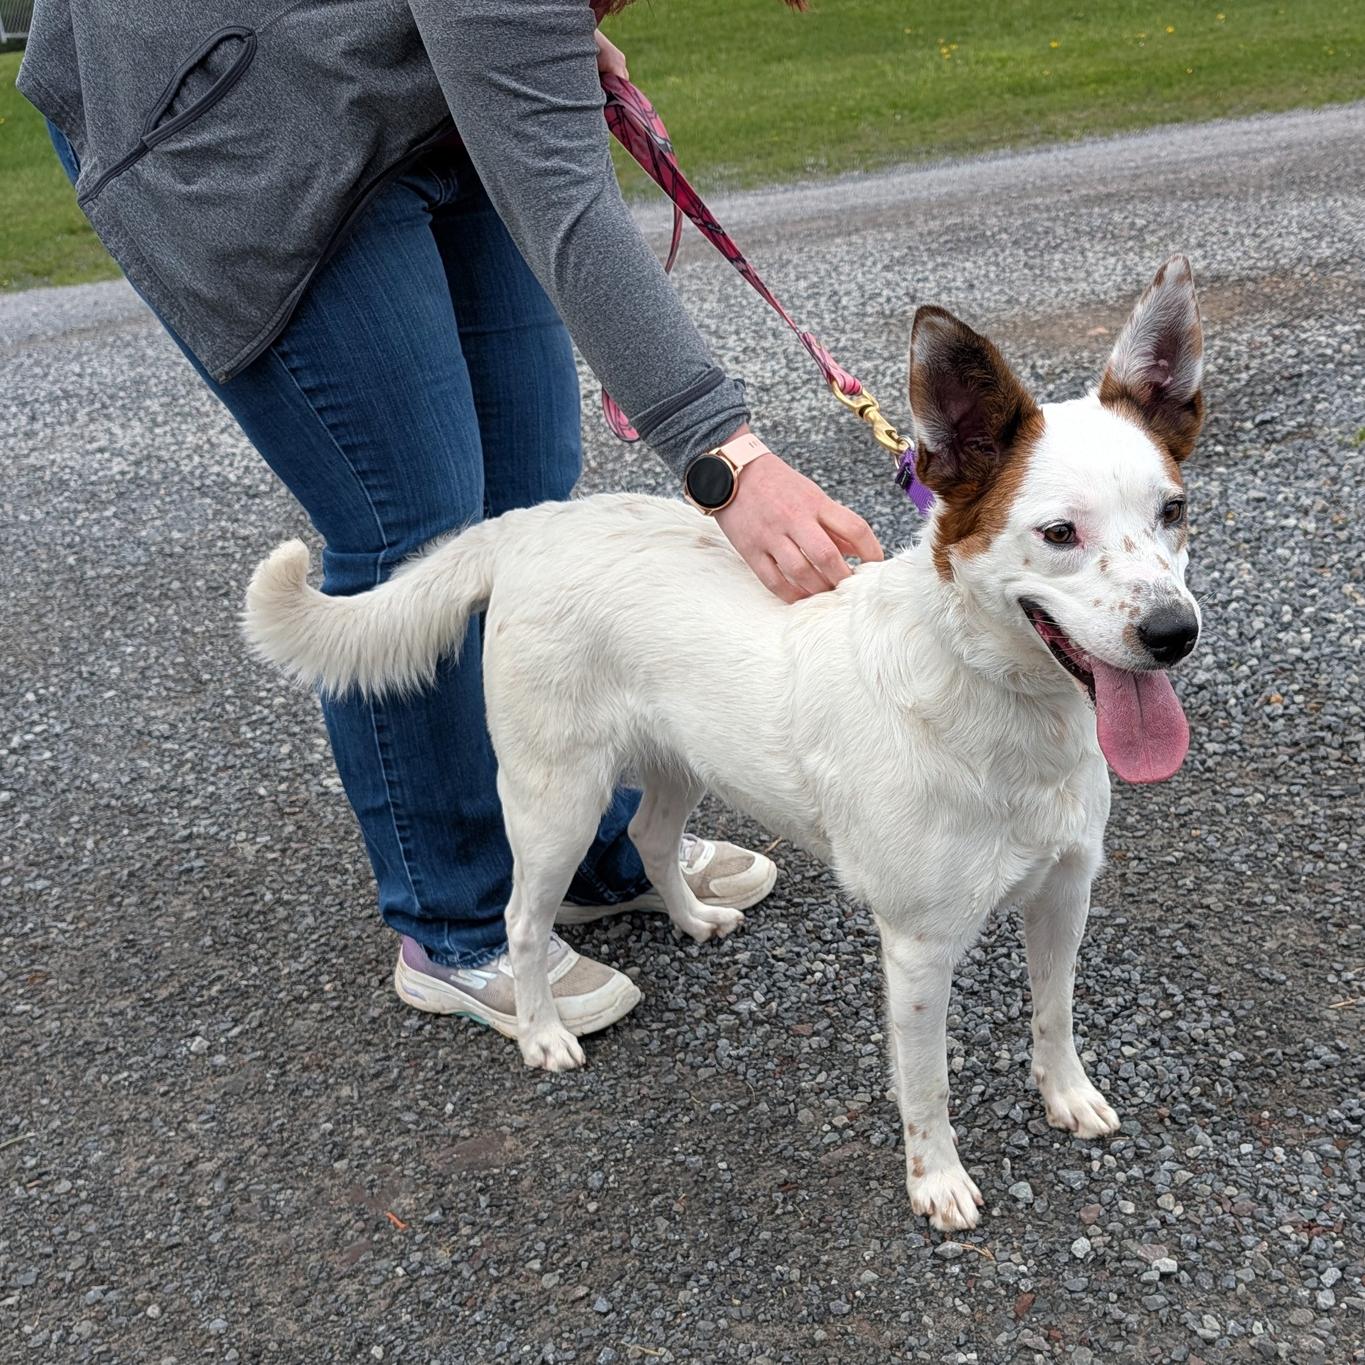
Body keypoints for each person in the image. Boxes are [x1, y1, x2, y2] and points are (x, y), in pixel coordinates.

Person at [19, 0, 882, 1048]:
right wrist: (727, 460)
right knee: (413, 515)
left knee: (529, 498)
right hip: (220, 107)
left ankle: (585, 846)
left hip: (398, 83)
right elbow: (563, 195)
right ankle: (455, 922)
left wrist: (524, 47)